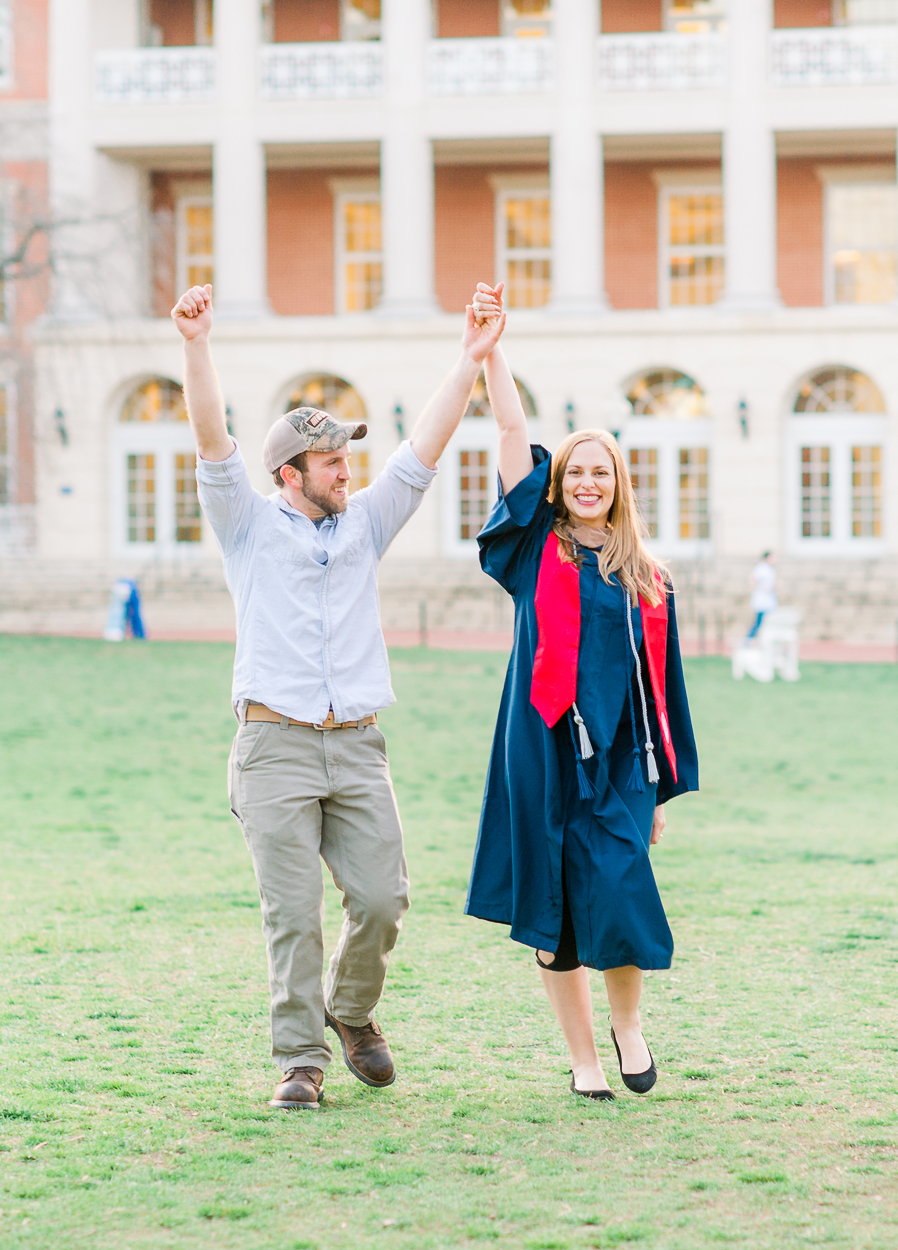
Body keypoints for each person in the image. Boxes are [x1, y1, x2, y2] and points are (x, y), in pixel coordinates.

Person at [171, 281, 506, 1110]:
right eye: (330, 462)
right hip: (273, 743)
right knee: (294, 915)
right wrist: (196, 344)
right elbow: (212, 438)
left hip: (356, 741)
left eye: (347, 457)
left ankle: (350, 1011)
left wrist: (470, 357)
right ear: (290, 473)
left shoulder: (365, 521)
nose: (345, 470)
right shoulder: (245, 523)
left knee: (384, 900)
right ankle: (301, 1063)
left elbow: (423, 449)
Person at [464, 283, 698, 1101]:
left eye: (602, 472)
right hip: (543, 748)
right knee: (553, 912)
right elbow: (510, 431)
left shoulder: (648, 578)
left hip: (622, 764)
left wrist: (657, 792)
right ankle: (583, 1059)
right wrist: (491, 351)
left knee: (624, 889)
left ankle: (627, 1024)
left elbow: (660, 692)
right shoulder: (539, 550)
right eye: (577, 472)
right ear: (558, 485)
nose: (589, 482)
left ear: (619, 485)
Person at [746, 551, 777, 640]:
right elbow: (753, 579)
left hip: (768, 601)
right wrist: (765, 587)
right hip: (762, 600)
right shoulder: (761, 568)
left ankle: (761, 640)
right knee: (758, 623)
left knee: (765, 624)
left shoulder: (768, 568)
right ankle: (748, 640)